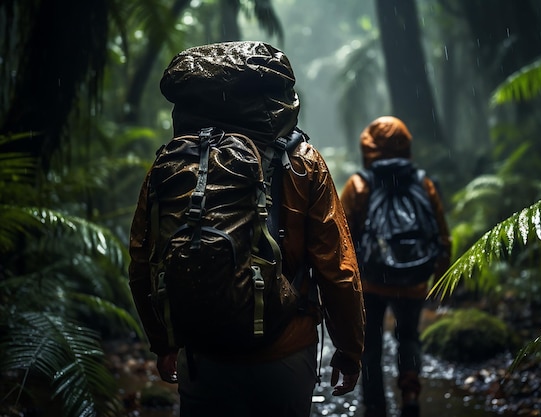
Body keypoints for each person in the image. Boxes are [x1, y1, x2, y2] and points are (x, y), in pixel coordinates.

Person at [128, 41, 365, 417]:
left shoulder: (174, 166)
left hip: (204, 355)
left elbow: (143, 261)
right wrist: (350, 349)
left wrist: (164, 342)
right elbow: (336, 267)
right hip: (286, 350)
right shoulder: (302, 162)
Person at [339, 116, 451, 417]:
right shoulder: (423, 182)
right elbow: (441, 233)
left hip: (372, 280)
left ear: (368, 145)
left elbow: (342, 239)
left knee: (370, 347)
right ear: (406, 144)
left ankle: (376, 406)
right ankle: (411, 395)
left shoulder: (359, 185)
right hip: (413, 278)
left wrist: (344, 286)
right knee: (409, 338)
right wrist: (441, 279)